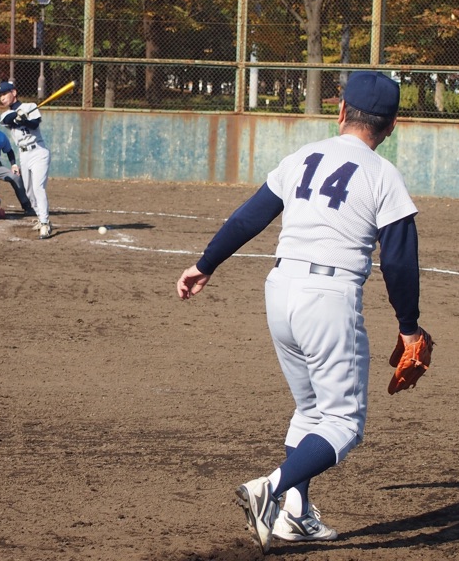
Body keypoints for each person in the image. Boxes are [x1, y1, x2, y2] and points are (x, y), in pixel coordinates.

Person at [176, 70, 430, 553]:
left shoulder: (304, 155)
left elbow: (251, 215)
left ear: (340, 112)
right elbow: (399, 259)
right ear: (392, 126)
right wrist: (409, 326)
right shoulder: (383, 175)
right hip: (328, 299)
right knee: (343, 424)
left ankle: (296, 516)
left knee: (311, 409)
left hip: (280, 290)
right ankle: (270, 490)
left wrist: (205, 263)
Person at [0, 81, 53, 239]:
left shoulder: (30, 106)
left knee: (38, 187)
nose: (2, 98)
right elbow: (9, 120)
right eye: (0, 95)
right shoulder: (5, 114)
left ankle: (45, 223)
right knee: (28, 190)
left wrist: (24, 119)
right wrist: (17, 116)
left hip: (38, 151)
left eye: (5, 94)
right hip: (24, 154)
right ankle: (41, 217)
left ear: (13, 92)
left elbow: (34, 124)